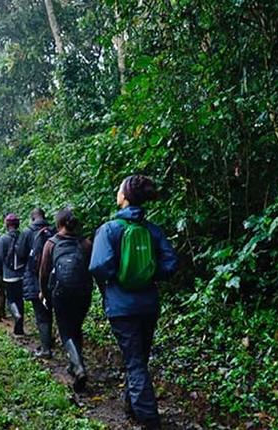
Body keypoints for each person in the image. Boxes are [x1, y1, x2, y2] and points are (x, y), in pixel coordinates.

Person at [89, 175, 179, 429]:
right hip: (148, 305)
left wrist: (118, 278)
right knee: (139, 358)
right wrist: (149, 273)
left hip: (121, 307)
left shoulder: (109, 229)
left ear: (125, 197)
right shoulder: (152, 230)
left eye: (119, 190)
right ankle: (132, 407)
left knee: (134, 361)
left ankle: (149, 420)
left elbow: (98, 266)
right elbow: (171, 263)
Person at [38, 208, 93, 393]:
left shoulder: (51, 243)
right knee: (76, 328)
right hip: (83, 292)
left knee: (66, 331)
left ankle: (78, 367)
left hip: (61, 292)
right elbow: (92, 269)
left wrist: (44, 293)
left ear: (58, 224)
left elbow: (44, 273)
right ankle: (74, 363)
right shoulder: (86, 243)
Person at [17, 208, 56, 358]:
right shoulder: (52, 230)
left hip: (34, 278)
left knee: (41, 314)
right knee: (49, 310)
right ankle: (48, 340)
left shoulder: (27, 232)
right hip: (52, 277)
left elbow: (20, 254)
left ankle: (46, 349)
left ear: (32, 218)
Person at [0, 213, 26, 335]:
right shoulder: (22, 236)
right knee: (20, 300)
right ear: (17, 224)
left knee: (11, 300)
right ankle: (19, 329)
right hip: (22, 275)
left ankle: (16, 314)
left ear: (7, 225)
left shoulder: (4, 239)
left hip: (9, 276)